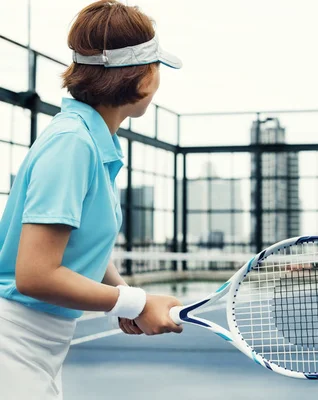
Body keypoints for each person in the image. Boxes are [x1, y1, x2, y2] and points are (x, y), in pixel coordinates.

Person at [0, 2, 183, 398]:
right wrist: (134, 302)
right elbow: (36, 275)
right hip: (12, 341)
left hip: (34, 344)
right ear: (146, 78)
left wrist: (124, 297)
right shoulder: (73, 144)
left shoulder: (91, 140)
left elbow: (81, 246)